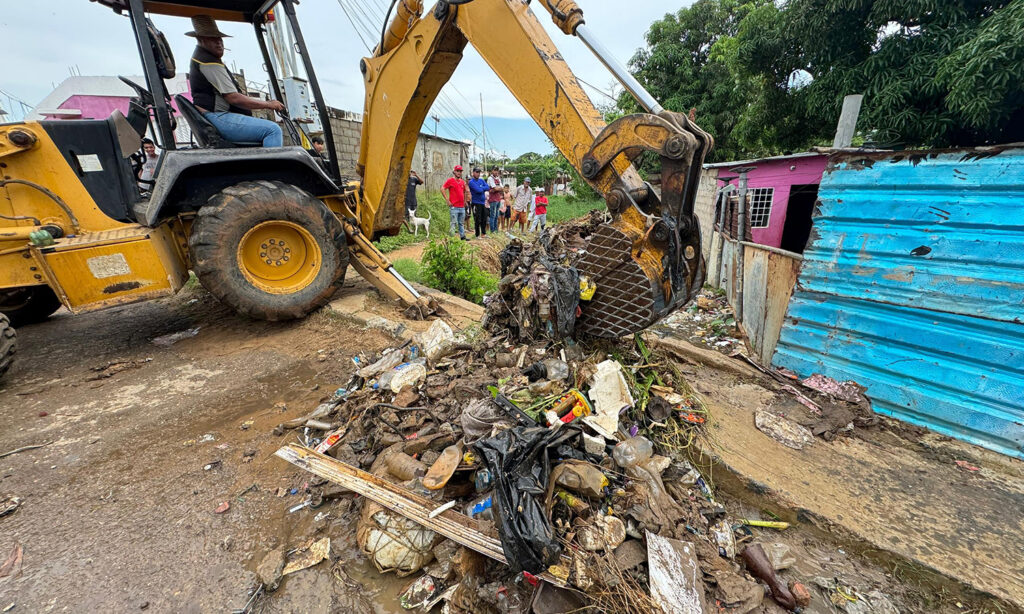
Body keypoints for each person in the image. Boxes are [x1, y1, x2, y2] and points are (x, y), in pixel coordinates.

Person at [187, 15, 285, 147]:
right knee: (272, 130)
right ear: (201, 39)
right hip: (218, 117)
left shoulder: (204, 59)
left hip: (215, 116)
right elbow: (234, 98)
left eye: (219, 39)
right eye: (212, 38)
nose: (219, 43)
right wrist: (268, 104)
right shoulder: (208, 62)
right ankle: (274, 167)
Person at [441, 165, 470, 240]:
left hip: (461, 206)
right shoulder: (450, 180)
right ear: (454, 172)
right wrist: (447, 200)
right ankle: (452, 238)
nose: (459, 173)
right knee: (453, 223)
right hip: (454, 206)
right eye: (457, 171)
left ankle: (462, 236)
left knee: (461, 223)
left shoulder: (462, 182)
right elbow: (442, 189)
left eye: (460, 171)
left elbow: (464, 192)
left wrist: (465, 201)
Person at [468, 167, 489, 239]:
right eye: (476, 172)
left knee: (484, 218)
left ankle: (483, 233)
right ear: (473, 172)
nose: (478, 174)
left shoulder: (481, 180)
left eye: (479, 172)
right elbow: (478, 190)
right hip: (475, 203)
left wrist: (481, 188)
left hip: (483, 203)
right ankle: (477, 235)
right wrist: (482, 188)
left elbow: (488, 187)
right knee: (477, 219)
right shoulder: (471, 182)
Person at [486, 166, 503, 232]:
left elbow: (502, 188)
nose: (496, 172)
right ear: (492, 171)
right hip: (492, 199)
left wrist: (496, 188)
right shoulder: (490, 178)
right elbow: (495, 188)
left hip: (498, 199)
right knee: (492, 215)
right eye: (495, 170)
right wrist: (497, 188)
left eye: (497, 170)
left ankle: (496, 230)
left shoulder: (498, 178)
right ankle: (492, 230)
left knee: (496, 215)